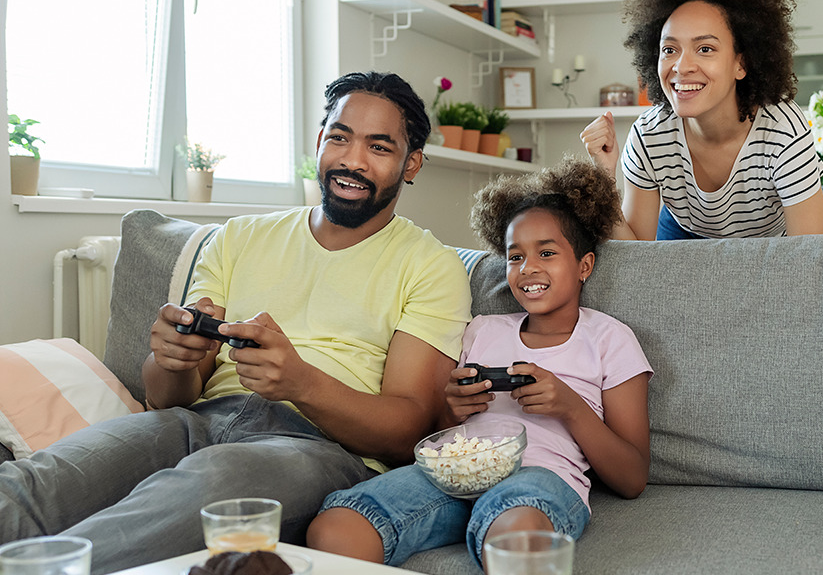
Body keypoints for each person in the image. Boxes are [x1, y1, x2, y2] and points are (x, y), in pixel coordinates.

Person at [0, 71, 473, 574]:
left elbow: (407, 431)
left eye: (379, 147)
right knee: (39, 481)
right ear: (320, 142)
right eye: (339, 137)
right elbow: (168, 396)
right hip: (193, 419)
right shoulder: (238, 238)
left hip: (313, 448)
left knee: (206, 487)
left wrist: (301, 382)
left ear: (412, 163)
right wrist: (172, 358)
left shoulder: (431, 265)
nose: (351, 160)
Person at [306, 157, 654, 569]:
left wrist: (569, 406)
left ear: (584, 266)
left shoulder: (609, 338)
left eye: (546, 252)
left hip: (538, 477)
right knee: (334, 528)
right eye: (515, 257)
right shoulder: (482, 329)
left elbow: (632, 479)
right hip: (454, 469)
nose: (528, 269)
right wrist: (452, 410)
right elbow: (434, 434)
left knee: (516, 536)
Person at [580, 0, 823, 240]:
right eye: (669, 50)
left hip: (765, 246)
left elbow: (812, 256)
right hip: (682, 233)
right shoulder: (648, 135)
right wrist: (604, 177)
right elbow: (635, 259)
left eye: (705, 48)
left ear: (741, 64)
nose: (681, 66)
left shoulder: (783, 130)